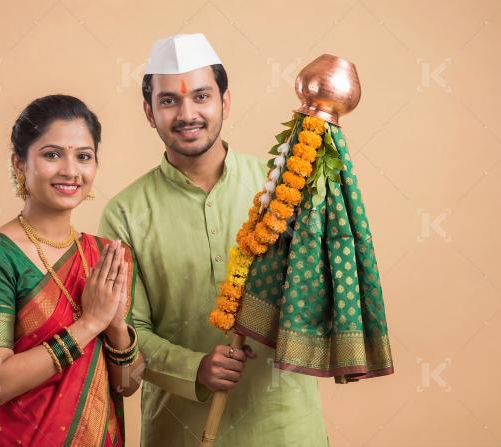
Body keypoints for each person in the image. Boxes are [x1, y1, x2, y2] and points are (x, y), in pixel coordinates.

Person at [98, 34, 329, 446]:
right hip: (179, 431)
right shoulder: (125, 214)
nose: (187, 113)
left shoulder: (283, 192)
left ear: (225, 101)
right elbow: (124, 329)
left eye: (201, 96)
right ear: (149, 112)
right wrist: (194, 367)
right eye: (169, 101)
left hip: (285, 426)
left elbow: (322, 298)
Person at [0, 94, 143, 446]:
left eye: (83, 156)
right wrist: (89, 324)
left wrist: (116, 326)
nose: (70, 171)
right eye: (52, 154)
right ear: (19, 163)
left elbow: (128, 385)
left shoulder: (106, 256)